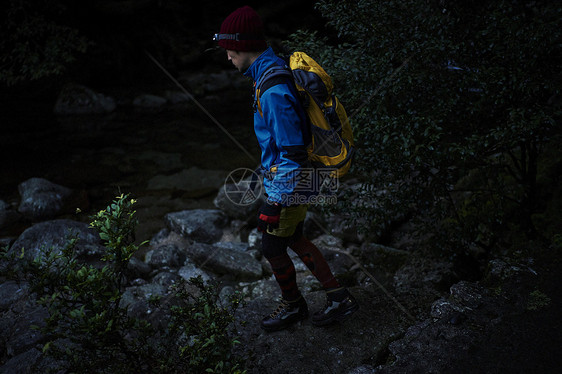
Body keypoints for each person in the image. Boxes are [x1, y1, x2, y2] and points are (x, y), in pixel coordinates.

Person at [214, 5, 358, 332]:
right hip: (298, 173)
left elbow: (292, 150)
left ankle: (301, 305)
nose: (227, 58)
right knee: (290, 237)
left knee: (272, 243)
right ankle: (332, 297)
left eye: (228, 51)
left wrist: (275, 201)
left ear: (243, 46)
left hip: (298, 175)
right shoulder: (269, 71)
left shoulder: (273, 88)